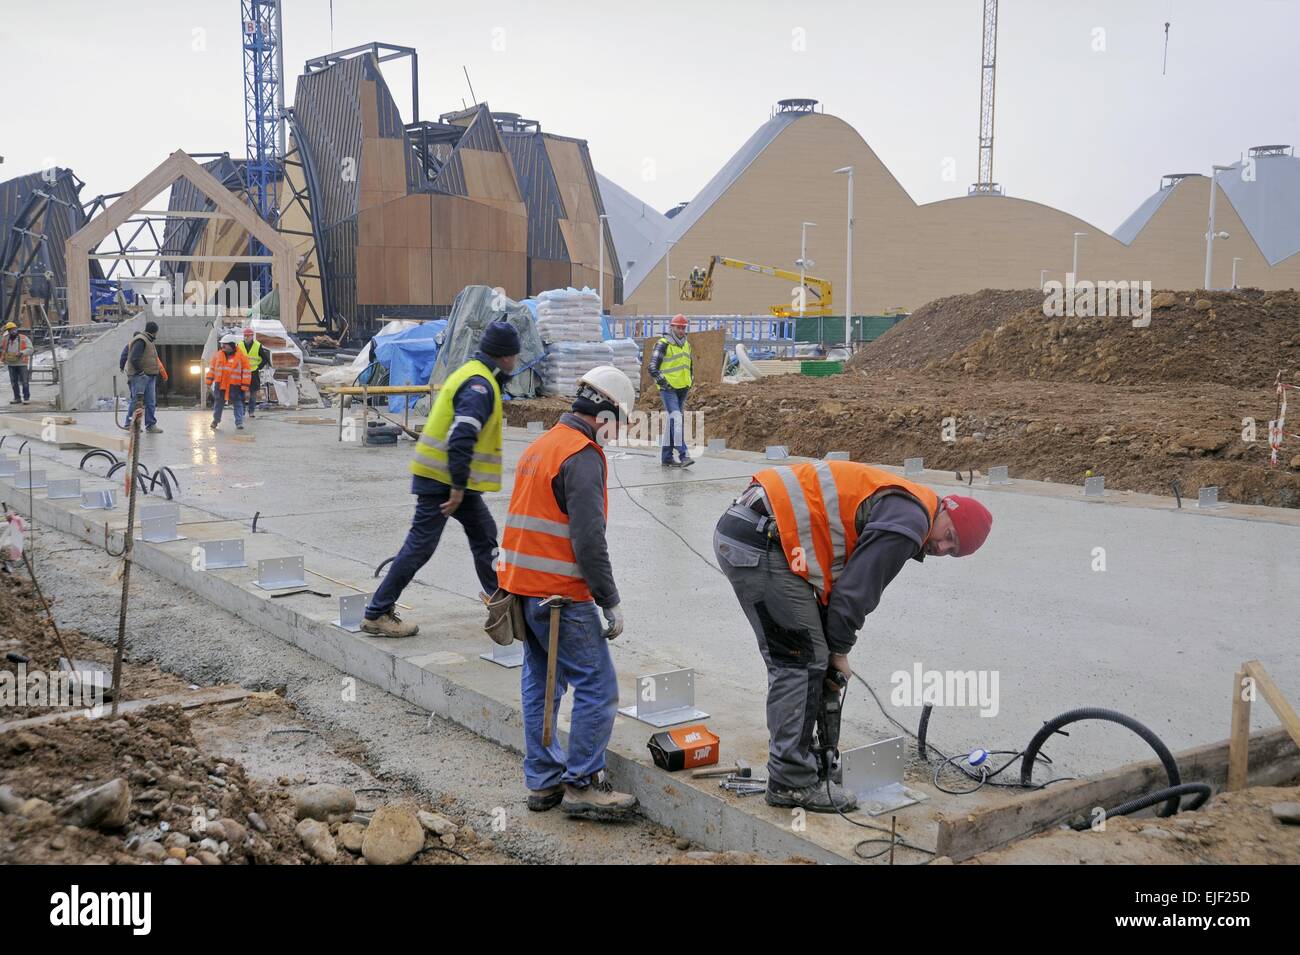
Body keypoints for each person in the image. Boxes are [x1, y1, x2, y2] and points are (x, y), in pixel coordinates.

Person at [713, 461, 994, 812]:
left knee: (811, 655)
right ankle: (790, 782)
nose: (941, 548)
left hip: (757, 530)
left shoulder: (906, 505)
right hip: (763, 540)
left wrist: (832, 651)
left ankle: (811, 762)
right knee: (800, 660)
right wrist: (840, 652)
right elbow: (854, 594)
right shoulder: (910, 522)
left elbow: (841, 584)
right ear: (946, 512)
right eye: (950, 536)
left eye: (953, 551)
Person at [497, 365, 638, 821]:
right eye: (619, 424)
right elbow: (588, 539)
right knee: (598, 685)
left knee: (542, 684)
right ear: (604, 414)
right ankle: (581, 783)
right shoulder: (581, 454)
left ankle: (542, 782)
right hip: (560, 596)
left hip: (521, 590)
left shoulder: (542, 445)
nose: (616, 436)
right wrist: (608, 599)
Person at [361, 321, 521, 638]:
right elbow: (461, 436)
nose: (516, 362)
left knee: (485, 536)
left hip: (450, 480)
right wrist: (459, 487)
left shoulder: (473, 373)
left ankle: (501, 605)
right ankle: (376, 612)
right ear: (505, 357)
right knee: (421, 545)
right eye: (514, 356)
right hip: (445, 482)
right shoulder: (480, 385)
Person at [648, 314, 694, 468]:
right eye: (678, 327)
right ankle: (684, 455)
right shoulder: (663, 344)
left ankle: (667, 458)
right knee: (677, 420)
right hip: (669, 389)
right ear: (672, 327)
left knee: (672, 422)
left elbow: (689, 365)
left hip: (683, 388)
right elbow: (652, 367)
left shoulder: (686, 344)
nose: (681, 330)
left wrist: (690, 379)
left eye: (683, 327)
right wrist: (664, 383)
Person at [124, 320, 168, 432]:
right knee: (136, 401)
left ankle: (150, 425)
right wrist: (141, 372)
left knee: (150, 402)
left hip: (150, 376)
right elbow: (134, 358)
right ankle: (129, 423)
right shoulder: (141, 340)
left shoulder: (149, 341)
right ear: (155, 332)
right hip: (140, 376)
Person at [206, 334, 251, 431]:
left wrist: (245, 387)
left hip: (235, 385)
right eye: (222, 345)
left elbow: (246, 373)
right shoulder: (217, 356)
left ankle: (239, 422)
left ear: (231, 345)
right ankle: (216, 421)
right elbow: (212, 370)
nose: (222, 347)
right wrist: (208, 381)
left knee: (238, 403)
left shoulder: (241, 357)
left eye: (225, 345)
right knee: (218, 404)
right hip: (221, 385)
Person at [1, 322, 32, 406]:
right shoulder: (5, 339)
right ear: (8, 331)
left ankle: (26, 398)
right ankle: (17, 398)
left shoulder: (23, 338)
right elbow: (2, 348)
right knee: (14, 382)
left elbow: (30, 349)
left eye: (14, 329)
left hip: (22, 363)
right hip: (11, 364)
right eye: (10, 330)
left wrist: (21, 353)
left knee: (24, 381)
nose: (13, 331)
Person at [238, 326, 264, 418]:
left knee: (253, 393)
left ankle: (251, 411)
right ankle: (242, 411)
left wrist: (258, 367)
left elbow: (264, 359)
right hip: (243, 372)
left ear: (252, 336)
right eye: (245, 336)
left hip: (253, 372)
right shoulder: (239, 345)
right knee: (242, 393)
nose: (246, 337)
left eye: (248, 336)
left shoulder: (258, 345)